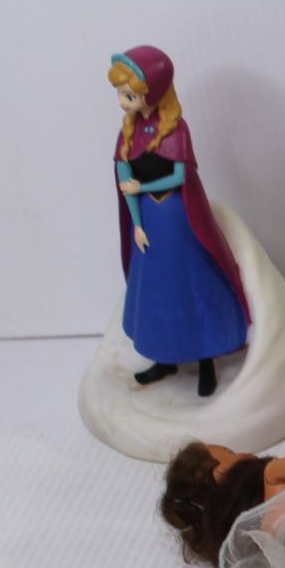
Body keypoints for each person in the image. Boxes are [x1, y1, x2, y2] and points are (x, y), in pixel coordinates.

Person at [110, 46, 248, 396]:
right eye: (121, 95)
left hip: (177, 218)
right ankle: (164, 358)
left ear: (152, 91)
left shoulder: (174, 129)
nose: (122, 103)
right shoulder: (128, 132)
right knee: (157, 291)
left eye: (128, 95)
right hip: (150, 223)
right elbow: (125, 180)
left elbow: (179, 176)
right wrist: (137, 223)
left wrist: (142, 186)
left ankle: (206, 360)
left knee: (191, 286)